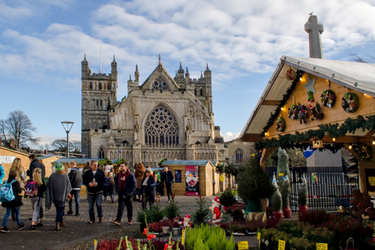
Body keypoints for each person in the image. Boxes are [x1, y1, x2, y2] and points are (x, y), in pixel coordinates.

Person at [45, 163, 72, 231]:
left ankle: (61, 220)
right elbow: (68, 187)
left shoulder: (52, 176)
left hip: (54, 196)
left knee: (58, 209)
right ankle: (58, 222)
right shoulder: (65, 176)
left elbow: (48, 186)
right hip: (62, 197)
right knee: (60, 209)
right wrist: (68, 194)